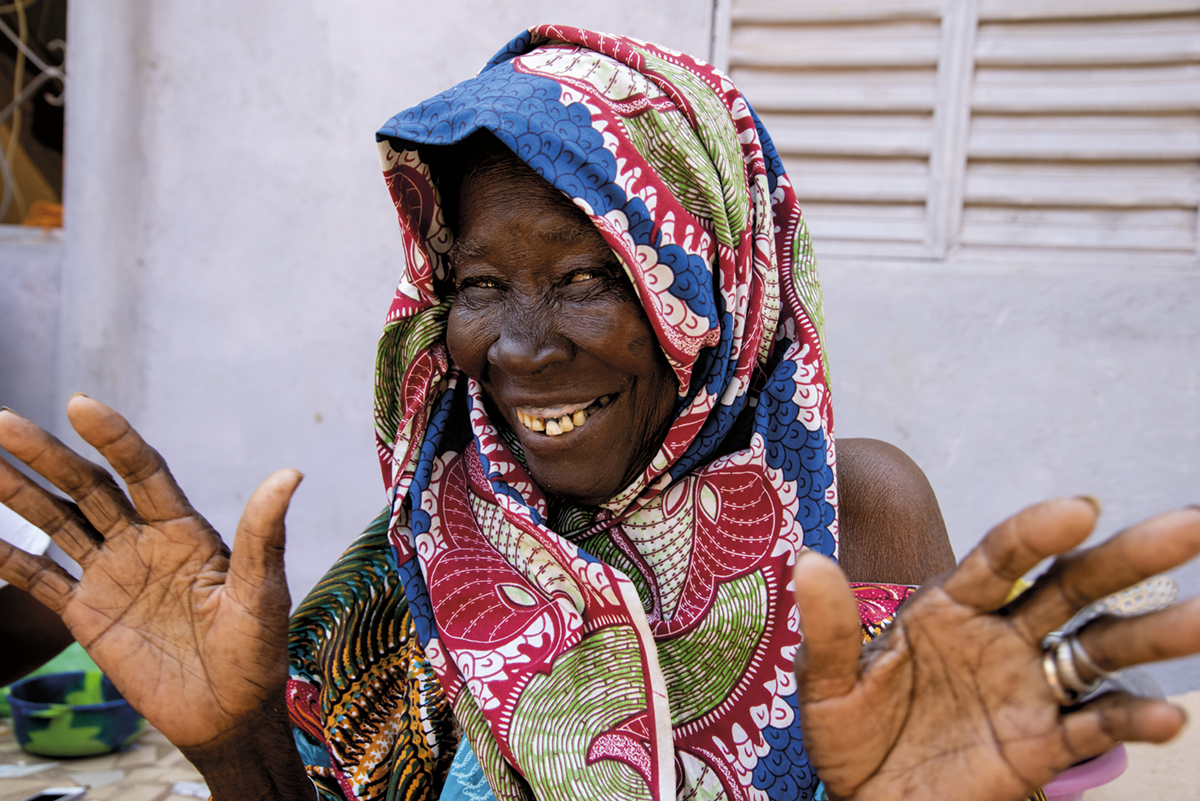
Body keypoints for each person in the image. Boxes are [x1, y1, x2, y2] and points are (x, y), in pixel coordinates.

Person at [0, 25, 1197, 801]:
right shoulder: (419, 560)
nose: (519, 349)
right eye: (480, 284)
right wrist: (236, 746)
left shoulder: (855, 517)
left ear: (714, 279)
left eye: (585, 278)